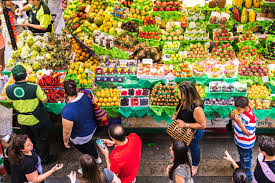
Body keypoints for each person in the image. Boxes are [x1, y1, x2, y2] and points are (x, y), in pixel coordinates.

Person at [3, 65, 54, 164]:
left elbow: (9, 101)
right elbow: (44, 100)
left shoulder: (8, 89)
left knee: (28, 140)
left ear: (13, 77)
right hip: (36, 119)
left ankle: (32, 156)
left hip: (22, 120)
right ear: (26, 75)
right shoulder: (34, 87)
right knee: (42, 139)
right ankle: (44, 159)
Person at [61, 80, 101, 163]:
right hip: (92, 127)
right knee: (89, 145)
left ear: (65, 93)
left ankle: (94, 160)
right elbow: (94, 103)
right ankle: (96, 158)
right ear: (76, 88)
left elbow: (67, 131)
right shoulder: (87, 93)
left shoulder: (67, 111)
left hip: (81, 136)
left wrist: (65, 142)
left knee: (86, 148)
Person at [172, 81, 206, 176]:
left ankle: (195, 164)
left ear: (188, 94)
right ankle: (183, 157)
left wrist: (185, 124)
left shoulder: (196, 108)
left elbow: (202, 125)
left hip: (194, 132)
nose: (179, 95)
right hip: (184, 129)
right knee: (184, 145)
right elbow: (182, 111)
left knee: (193, 146)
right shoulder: (183, 100)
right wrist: (176, 115)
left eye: (181, 93)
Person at [230, 96, 256, 181]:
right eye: (236, 109)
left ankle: (248, 177)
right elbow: (234, 116)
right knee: (241, 155)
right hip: (239, 141)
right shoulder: (239, 110)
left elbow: (249, 133)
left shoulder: (251, 118)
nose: (237, 111)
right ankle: (241, 163)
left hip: (246, 144)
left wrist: (240, 123)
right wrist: (232, 116)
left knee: (246, 161)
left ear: (246, 108)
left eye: (239, 110)